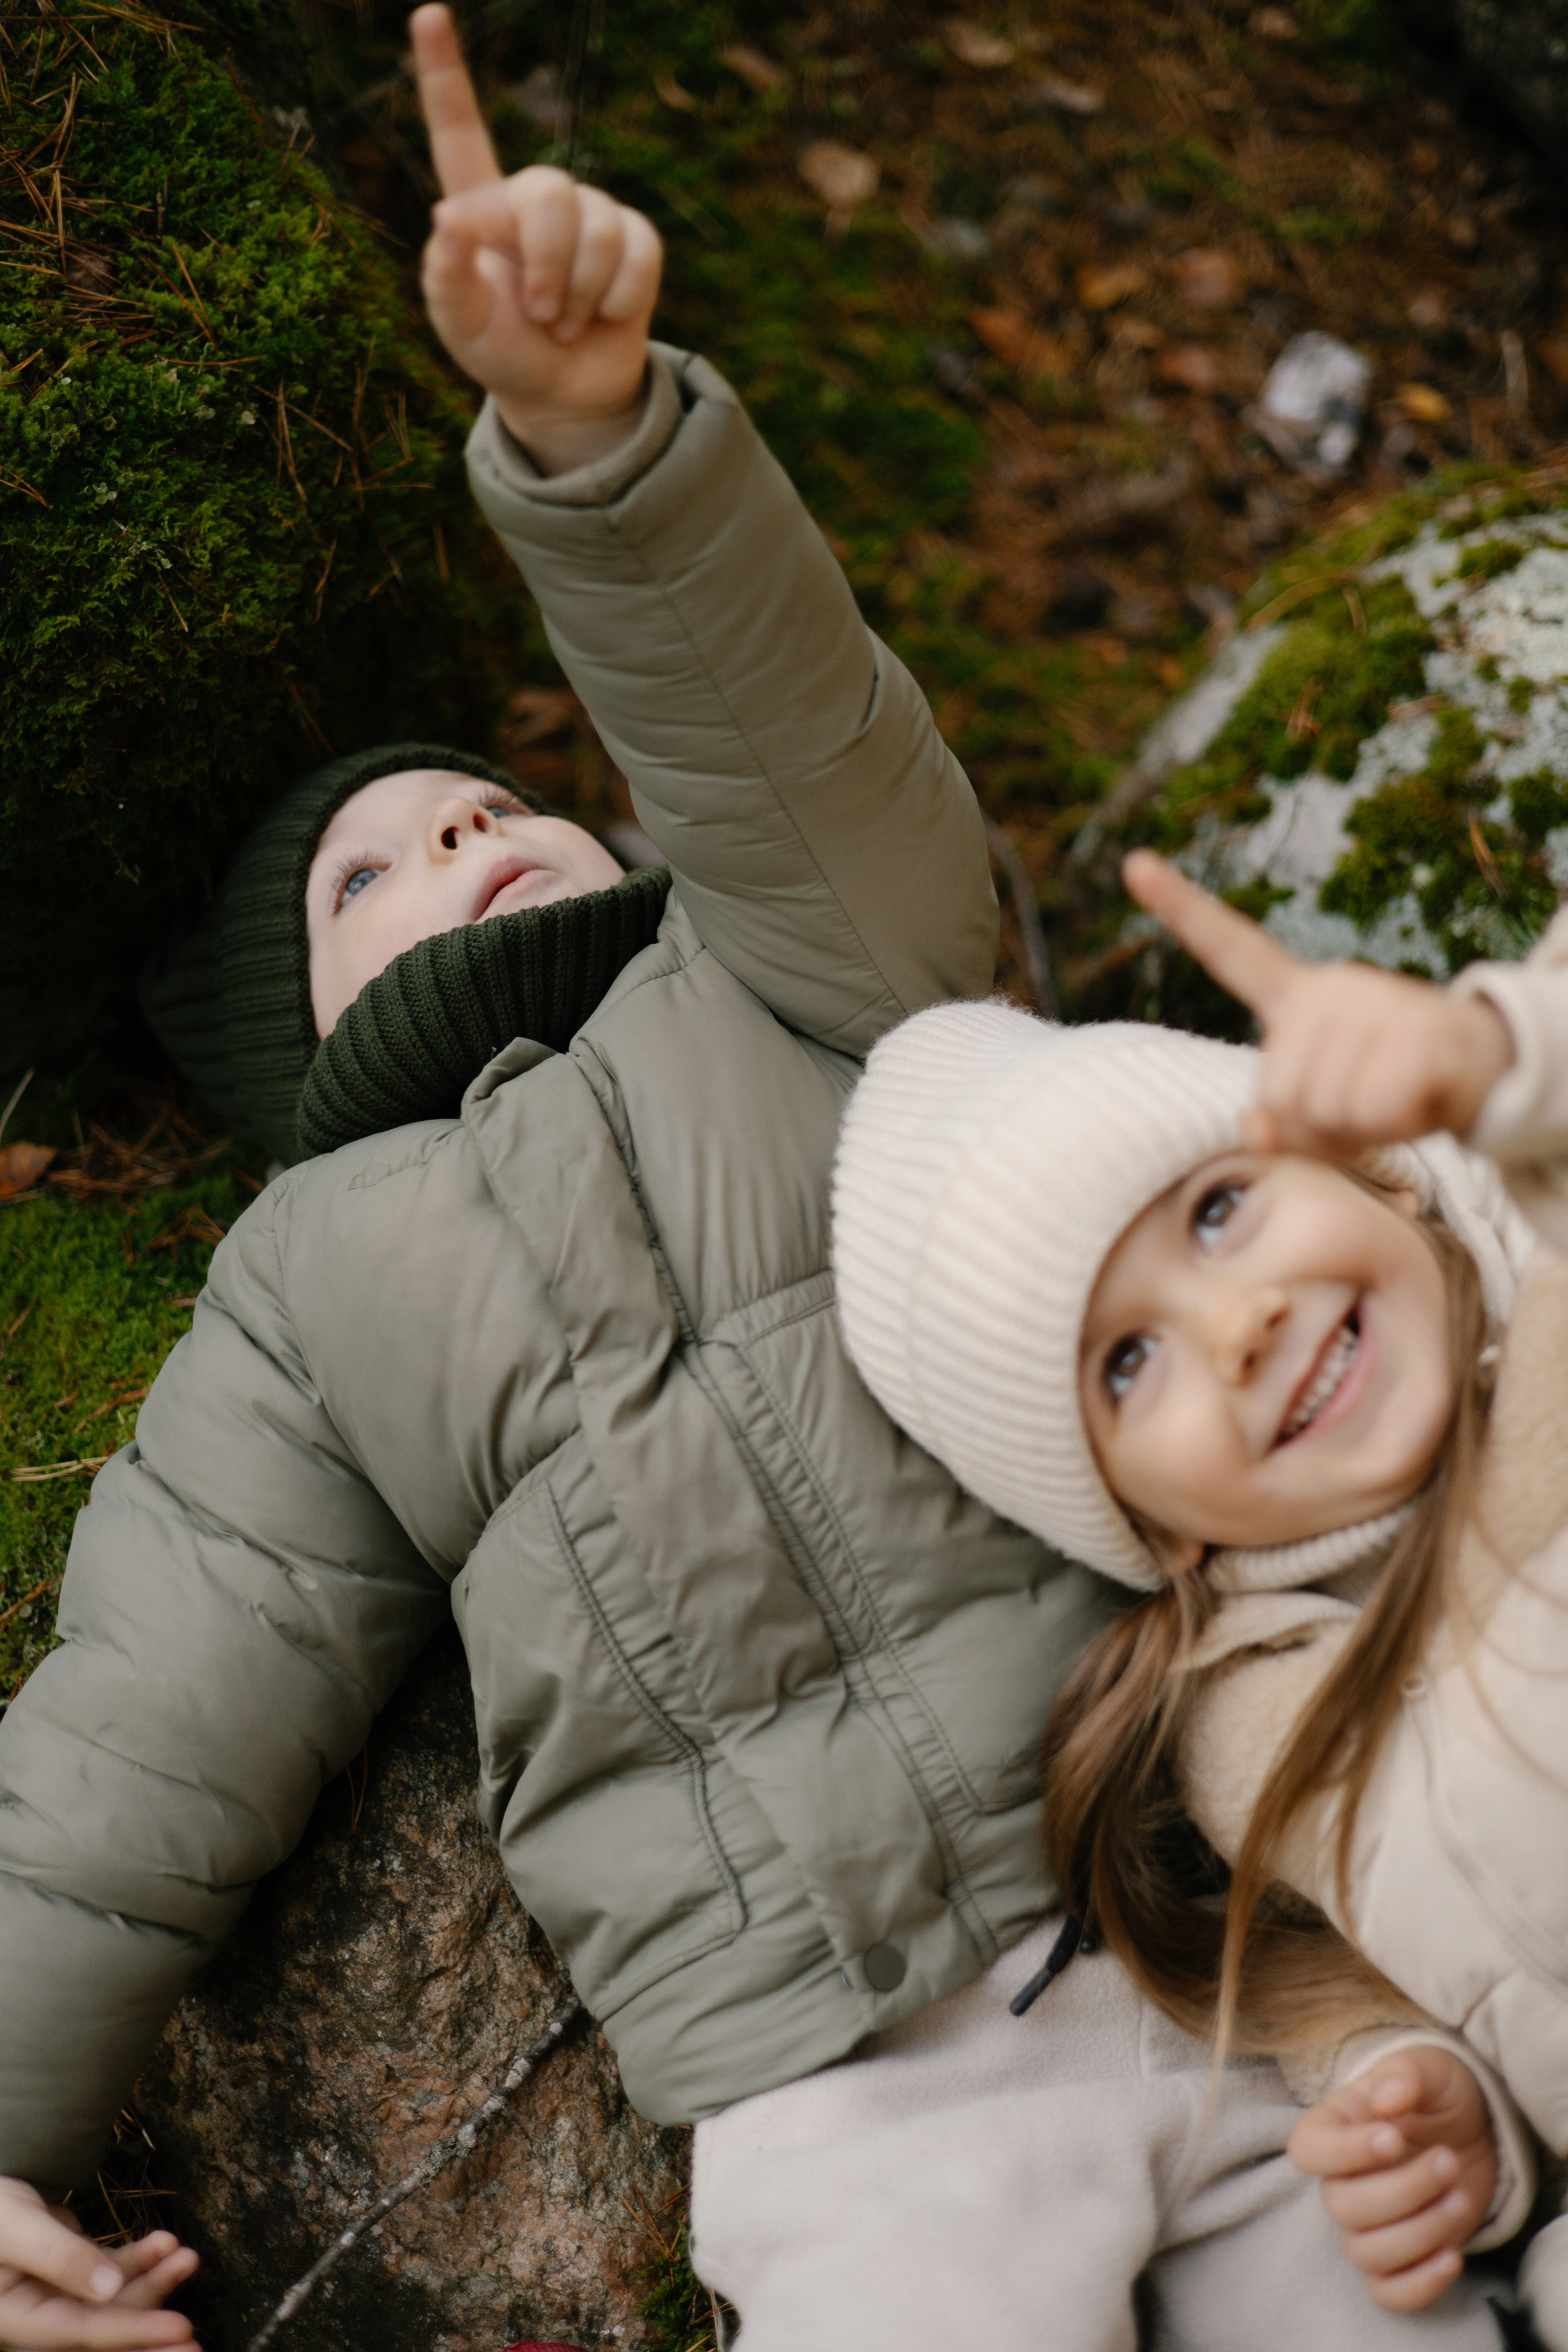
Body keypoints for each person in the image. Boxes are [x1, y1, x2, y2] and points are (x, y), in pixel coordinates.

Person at [0, 9, 1521, 2345]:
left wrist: (597, 439)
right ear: (280, 1052)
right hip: (829, 2074)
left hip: (1204, 1894)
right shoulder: (304, 1285)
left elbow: (784, 731)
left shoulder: (785, 968)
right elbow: (143, 1735)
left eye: (488, 798)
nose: (464, 835)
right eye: (370, 873)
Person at [832, 843, 1568, 2345]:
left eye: (1219, 1209)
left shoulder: (1533, 1222)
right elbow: (1399, 1970)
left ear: (1349, 1161)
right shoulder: (1249, 1733)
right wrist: (1436, 2106)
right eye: (1126, 1363)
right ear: (1141, 1527)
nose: (1233, 1327)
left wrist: (1495, 1060)